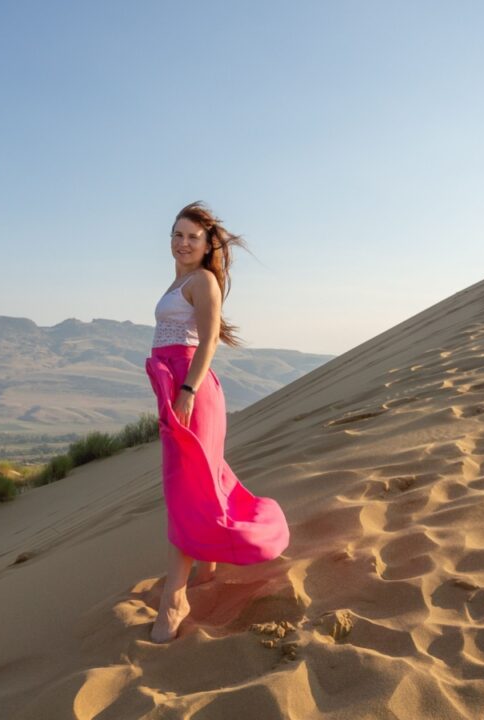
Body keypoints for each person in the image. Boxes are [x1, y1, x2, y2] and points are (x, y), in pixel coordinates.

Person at [145, 201, 290, 643]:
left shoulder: (203, 280)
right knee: (197, 483)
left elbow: (208, 342)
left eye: (192, 236)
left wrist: (187, 391)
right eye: (177, 234)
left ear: (208, 246)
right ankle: (204, 570)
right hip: (176, 386)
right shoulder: (180, 281)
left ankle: (176, 596)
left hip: (193, 388)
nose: (182, 242)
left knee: (186, 488)